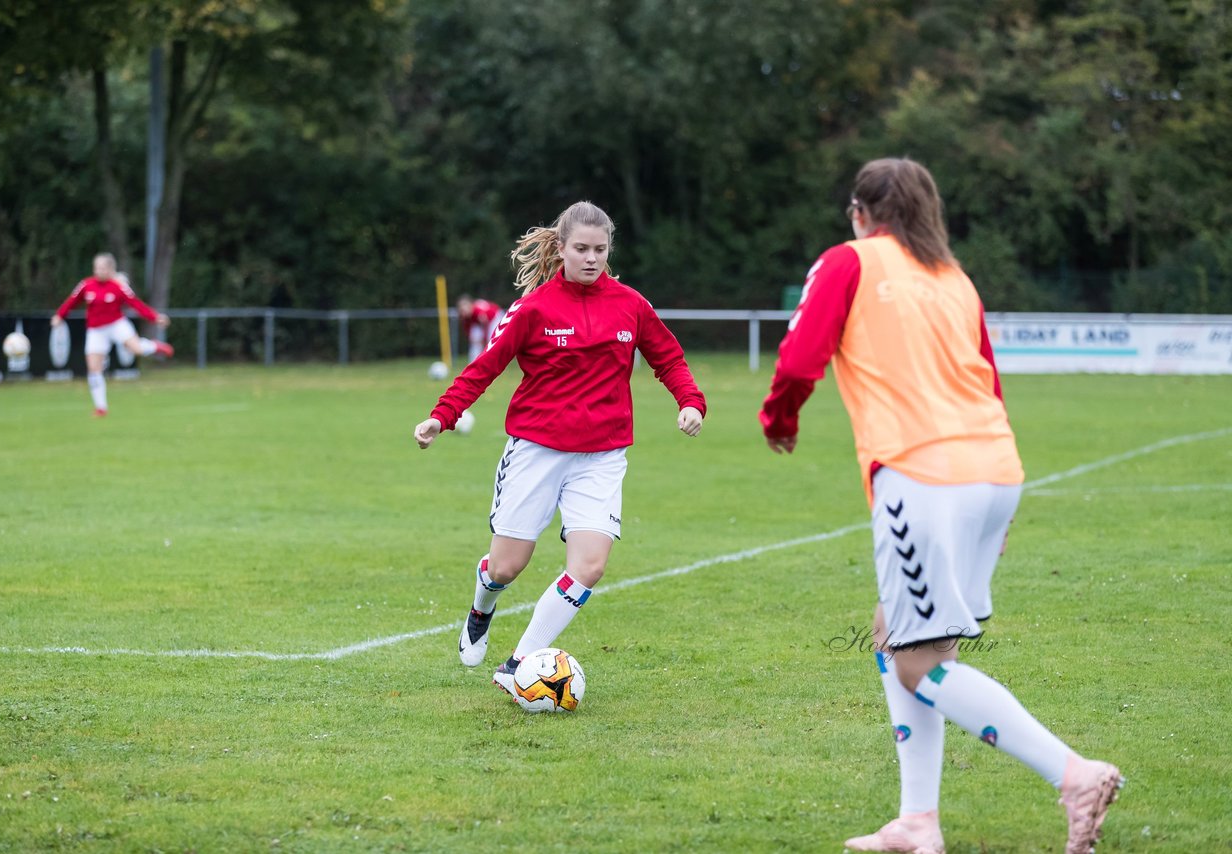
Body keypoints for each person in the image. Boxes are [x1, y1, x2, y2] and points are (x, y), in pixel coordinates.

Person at [759, 158, 1121, 854]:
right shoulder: (955, 278)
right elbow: (989, 381)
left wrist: (780, 419)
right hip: (992, 468)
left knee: (917, 663)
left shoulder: (848, 261)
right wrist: (997, 508)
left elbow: (801, 358)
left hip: (922, 474)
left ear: (862, 214)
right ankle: (917, 822)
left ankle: (1073, 773)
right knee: (897, 634)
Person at [413, 201, 706, 700]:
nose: (592, 258)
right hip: (536, 451)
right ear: (562, 249)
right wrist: (442, 416)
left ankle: (517, 664)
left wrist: (690, 401)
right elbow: (483, 368)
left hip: (603, 455)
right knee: (506, 566)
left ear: (609, 249)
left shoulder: (631, 304)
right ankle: (483, 605)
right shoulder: (533, 309)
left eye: (600, 249)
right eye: (581, 249)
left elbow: (668, 357)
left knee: (589, 566)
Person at [51, 253, 175, 417]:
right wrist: (60, 315)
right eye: (97, 268)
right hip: (96, 330)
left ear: (110, 269)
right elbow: (72, 300)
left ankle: (154, 346)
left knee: (136, 349)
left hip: (117, 325)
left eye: (103, 268)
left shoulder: (118, 286)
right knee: (94, 369)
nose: (99, 271)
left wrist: (155, 317)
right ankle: (101, 407)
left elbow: (136, 303)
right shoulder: (86, 285)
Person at [456, 293, 503, 362]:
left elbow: (485, 324)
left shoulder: (477, 311)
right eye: (461, 310)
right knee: (475, 341)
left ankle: (492, 361)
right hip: (481, 323)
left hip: (495, 318)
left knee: (491, 341)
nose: (463, 312)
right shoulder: (466, 317)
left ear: (470, 306)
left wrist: (484, 340)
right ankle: (474, 363)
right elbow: (469, 332)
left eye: (464, 309)